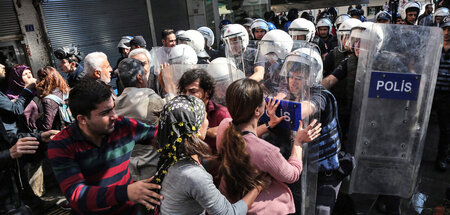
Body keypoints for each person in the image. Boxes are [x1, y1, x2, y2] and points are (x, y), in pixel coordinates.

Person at [48, 78, 162, 214]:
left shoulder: (123, 126)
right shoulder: (62, 145)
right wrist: (125, 192)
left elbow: (157, 135)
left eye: (113, 109)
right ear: (82, 119)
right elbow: (77, 195)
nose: (114, 116)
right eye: (105, 113)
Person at [216, 78, 320, 214]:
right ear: (257, 111)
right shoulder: (266, 152)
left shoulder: (224, 126)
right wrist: (298, 143)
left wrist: (268, 125)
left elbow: (242, 136)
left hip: (230, 202)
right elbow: (292, 174)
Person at [152, 95, 261, 215]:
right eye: (205, 117)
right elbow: (230, 213)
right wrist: (258, 187)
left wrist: (223, 159)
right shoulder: (194, 175)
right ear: (197, 130)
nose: (207, 122)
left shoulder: (171, 156)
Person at [178, 69, 230, 154]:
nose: (187, 96)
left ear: (207, 93)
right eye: (184, 91)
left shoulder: (221, 114)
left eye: (193, 92)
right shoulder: (180, 113)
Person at [433, 15, 450, 171]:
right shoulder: (434, 47)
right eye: (444, 29)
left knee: (445, 129)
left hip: (446, 95)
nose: (446, 32)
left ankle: (441, 157)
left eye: (449, 29)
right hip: (431, 92)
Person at [36, 66, 70, 131]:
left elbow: (47, 126)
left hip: (61, 133)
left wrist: (37, 120)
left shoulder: (47, 100)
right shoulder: (67, 91)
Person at [6, 65, 39, 133]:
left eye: (30, 72)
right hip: (25, 134)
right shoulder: (11, 97)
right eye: (25, 74)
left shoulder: (36, 91)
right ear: (17, 78)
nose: (29, 76)